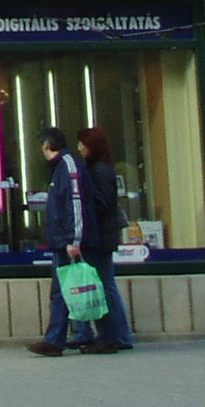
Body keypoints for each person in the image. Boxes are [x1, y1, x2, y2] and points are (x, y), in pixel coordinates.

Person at [26, 125, 104, 357]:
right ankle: (82, 334)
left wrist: (74, 240)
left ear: (47, 145)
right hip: (63, 240)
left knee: (63, 291)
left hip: (68, 241)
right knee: (71, 289)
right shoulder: (62, 166)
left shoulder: (67, 166)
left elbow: (75, 204)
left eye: (42, 146)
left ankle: (55, 340)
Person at [72, 126, 137, 353]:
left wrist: (85, 199)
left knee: (105, 285)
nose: (79, 148)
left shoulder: (100, 171)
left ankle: (116, 335)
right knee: (104, 284)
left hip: (100, 237)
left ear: (91, 146)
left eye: (82, 144)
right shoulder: (98, 168)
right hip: (100, 236)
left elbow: (104, 204)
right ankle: (115, 335)